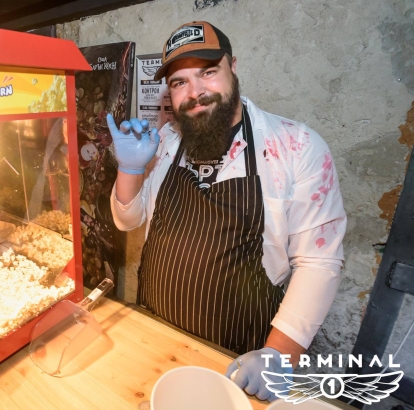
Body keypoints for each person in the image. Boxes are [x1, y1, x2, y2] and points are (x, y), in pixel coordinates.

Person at [107, 21, 346, 402]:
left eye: (207, 72)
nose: (194, 93)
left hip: (238, 362)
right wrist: (130, 169)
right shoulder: (166, 141)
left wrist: (279, 356)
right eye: (179, 82)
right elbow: (127, 220)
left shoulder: (296, 147)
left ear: (232, 67)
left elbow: (319, 261)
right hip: (155, 337)